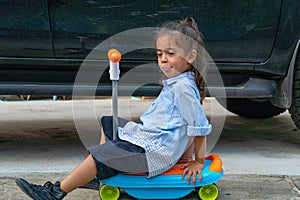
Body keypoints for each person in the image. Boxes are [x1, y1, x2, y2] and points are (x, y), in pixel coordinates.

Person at [15, 17, 212, 200]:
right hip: (151, 140)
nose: (163, 59)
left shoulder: (183, 89)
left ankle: (56, 192)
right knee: (110, 121)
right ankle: (100, 171)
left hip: (154, 152)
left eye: (171, 53)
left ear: (191, 56)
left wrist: (198, 161)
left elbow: (198, 127)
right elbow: (184, 125)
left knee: (107, 152)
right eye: (159, 54)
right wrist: (184, 156)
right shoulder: (178, 82)